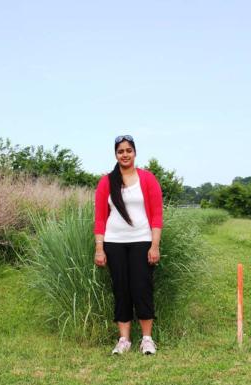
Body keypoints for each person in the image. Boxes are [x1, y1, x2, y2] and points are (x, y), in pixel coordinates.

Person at [93, 135, 163, 355]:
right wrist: (99, 248)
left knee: (142, 288)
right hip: (114, 243)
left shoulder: (147, 179)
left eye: (128, 150)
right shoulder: (107, 181)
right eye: (120, 151)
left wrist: (155, 245)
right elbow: (100, 218)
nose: (125, 154)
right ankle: (124, 340)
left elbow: (157, 216)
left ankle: (147, 339)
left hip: (142, 241)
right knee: (121, 289)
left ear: (135, 153)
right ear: (116, 154)